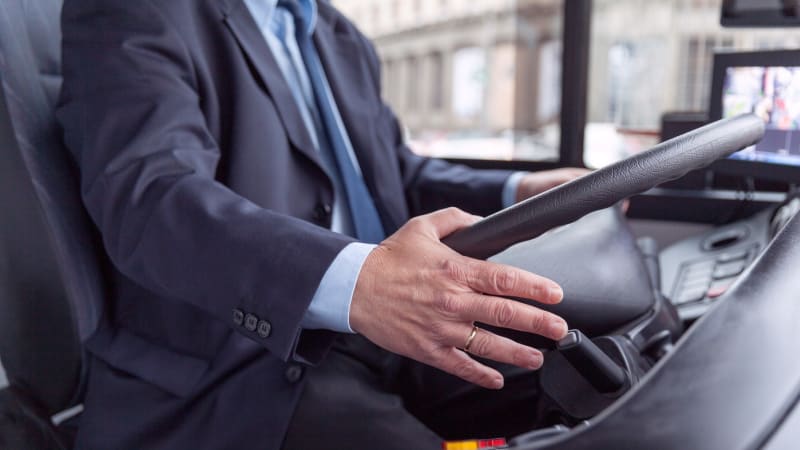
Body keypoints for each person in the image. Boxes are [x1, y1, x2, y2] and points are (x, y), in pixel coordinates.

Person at [57, 0, 586, 448]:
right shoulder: (137, 10)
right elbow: (151, 197)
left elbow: (395, 173)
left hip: (386, 331)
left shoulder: (339, 34)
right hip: (241, 362)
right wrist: (360, 282)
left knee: (581, 386)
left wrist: (515, 189)